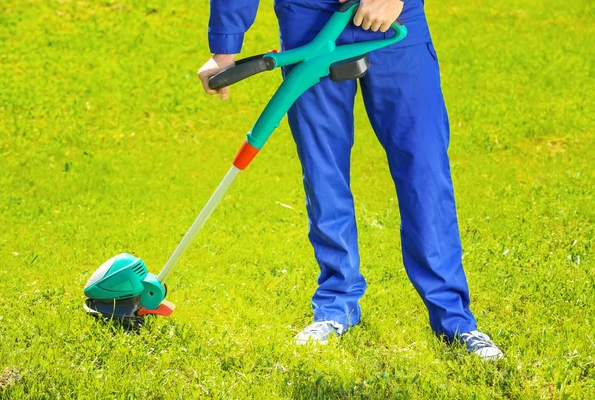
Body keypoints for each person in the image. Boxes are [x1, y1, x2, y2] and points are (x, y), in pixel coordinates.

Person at [197, 0, 502, 361]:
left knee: (424, 165)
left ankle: (454, 319)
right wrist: (225, 45)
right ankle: (334, 308)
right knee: (323, 167)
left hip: (395, 18)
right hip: (309, 19)